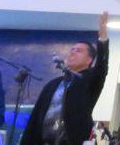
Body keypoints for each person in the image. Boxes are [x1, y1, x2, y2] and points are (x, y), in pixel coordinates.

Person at [20, 13, 110, 145]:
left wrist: (103, 39)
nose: (72, 52)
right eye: (72, 49)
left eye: (78, 50)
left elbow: (102, 67)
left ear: (89, 60)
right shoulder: (52, 85)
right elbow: (35, 118)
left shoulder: (89, 81)